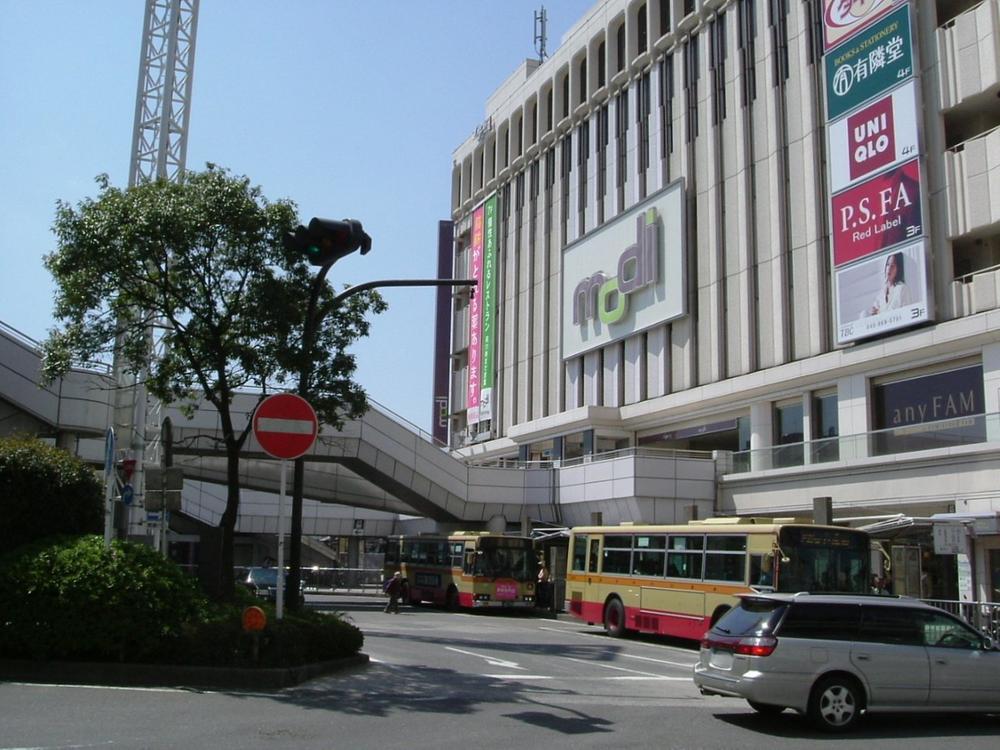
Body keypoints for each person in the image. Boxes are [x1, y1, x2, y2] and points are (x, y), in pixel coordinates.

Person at [865, 251, 911, 317]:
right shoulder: (880, 294)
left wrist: (879, 312)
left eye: (892, 266)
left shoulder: (902, 289)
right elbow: (874, 312)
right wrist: (873, 312)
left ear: (898, 269)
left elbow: (907, 314)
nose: (889, 268)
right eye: (887, 265)